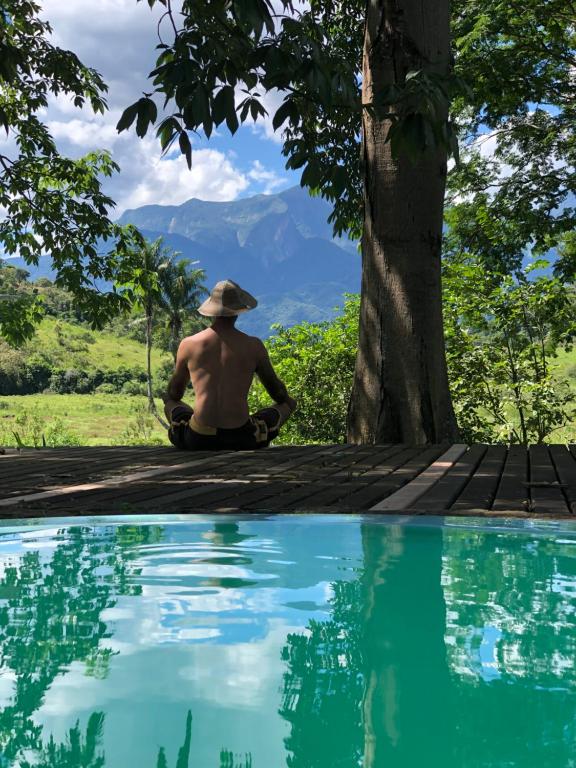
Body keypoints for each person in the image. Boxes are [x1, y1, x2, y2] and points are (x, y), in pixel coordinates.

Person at [163, 279, 297, 451]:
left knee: (171, 403)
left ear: (211, 311)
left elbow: (175, 393)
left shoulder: (188, 344)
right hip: (242, 437)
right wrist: (287, 400)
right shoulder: (254, 346)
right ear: (238, 311)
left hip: (199, 437)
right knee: (287, 405)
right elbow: (278, 394)